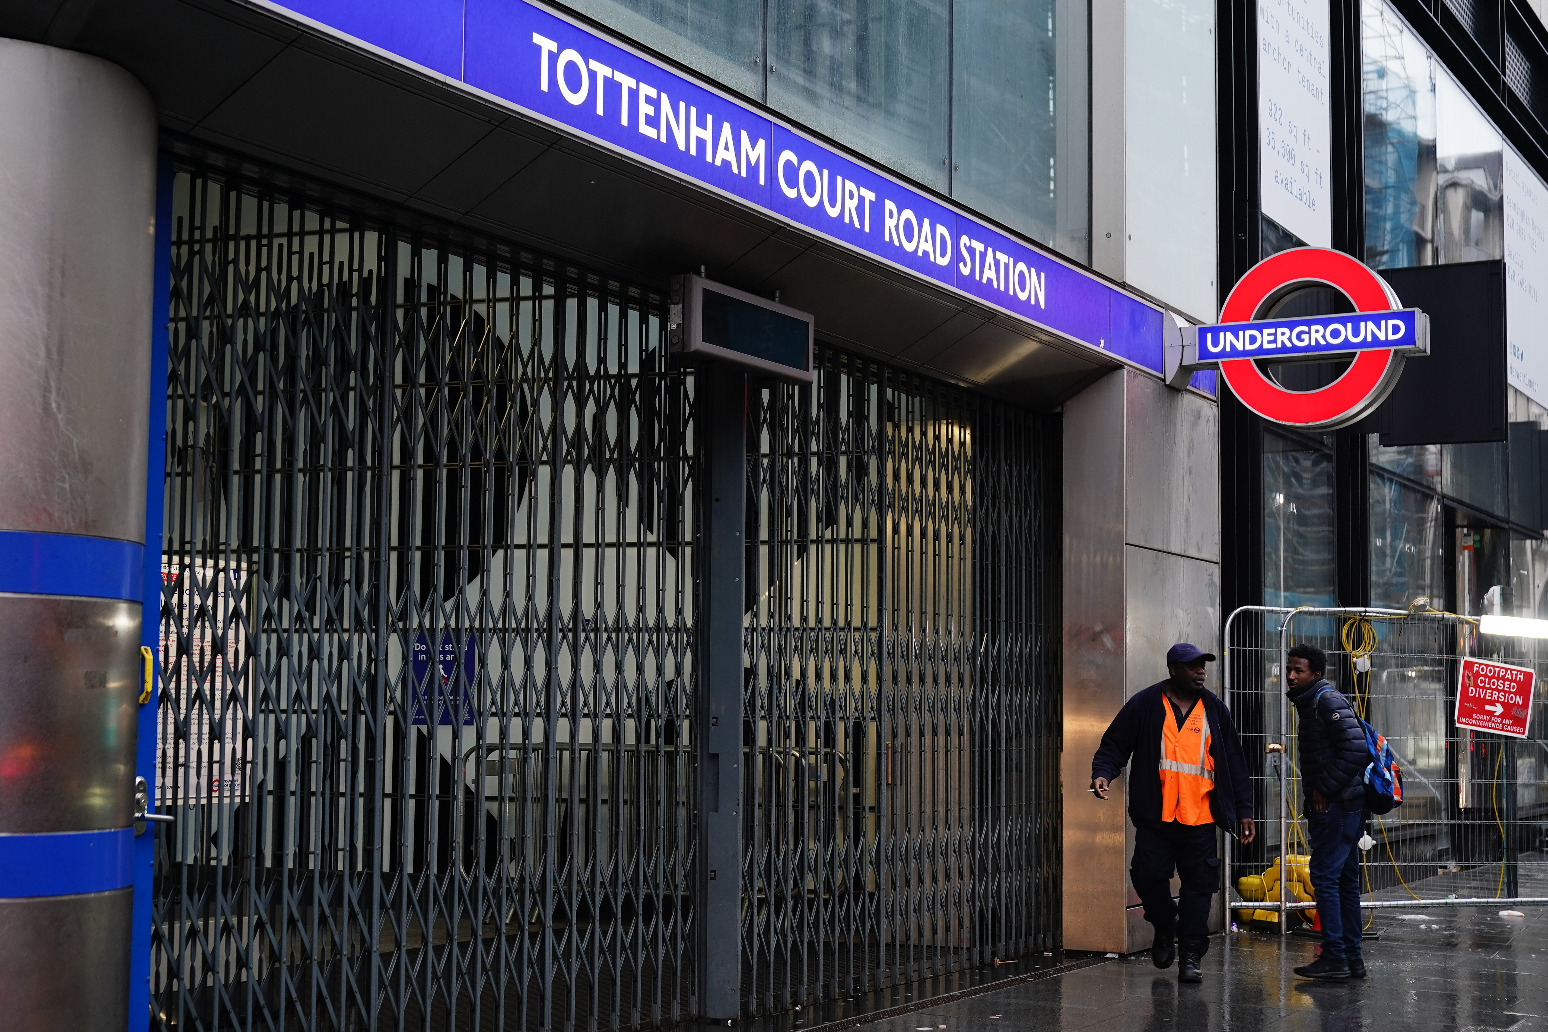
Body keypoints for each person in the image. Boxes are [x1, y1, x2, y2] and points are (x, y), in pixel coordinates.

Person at [1091, 643, 1256, 984]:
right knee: (1147, 876)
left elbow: (1234, 763)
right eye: (1193, 666)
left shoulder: (1214, 710)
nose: (1201, 671)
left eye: (1202, 666)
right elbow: (1116, 743)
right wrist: (1103, 773)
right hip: (1157, 817)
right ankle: (1165, 923)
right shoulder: (1146, 704)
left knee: (1199, 889)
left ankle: (1191, 955)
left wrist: (1243, 811)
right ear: (1173, 670)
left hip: (1200, 818)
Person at [1285, 642, 1369, 981]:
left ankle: (1335, 955)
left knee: (1324, 877)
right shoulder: (1313, 702)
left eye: (1299, 670)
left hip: (1337, 808)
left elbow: (1356, 749)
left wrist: (1324, 788)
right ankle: (1351, 957)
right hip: (1343, 806)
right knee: (1345, 880)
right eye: (1289, 669)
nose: (1291, 676)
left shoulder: (1326, 701)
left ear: (1316, 673)